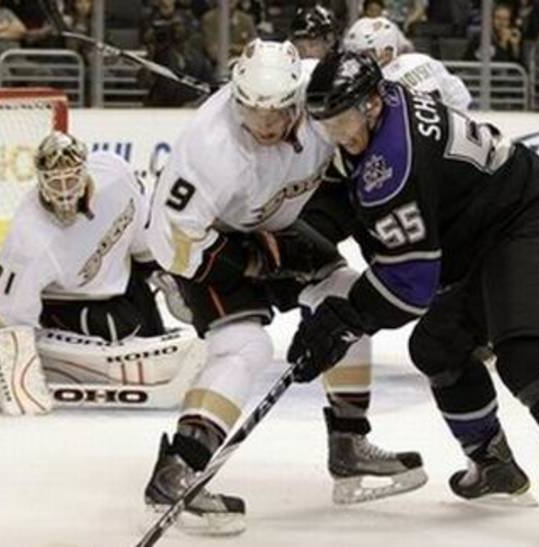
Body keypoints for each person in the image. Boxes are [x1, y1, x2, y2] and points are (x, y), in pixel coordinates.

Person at [290, 49, 539, 542]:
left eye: (343, 122)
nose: (337, 134)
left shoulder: (393, 160)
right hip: (481, 237)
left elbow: (411, 284)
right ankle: (493, 464)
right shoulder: (376, 118)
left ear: (372, 103)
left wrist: (345, 319)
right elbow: (348, 206)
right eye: (327, 124)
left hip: (529, 222)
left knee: (527, 358)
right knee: (437, 347)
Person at [143, 39, 427, 535]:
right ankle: (178, 469)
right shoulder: (208, 147)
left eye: (277, 110)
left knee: (347, 301)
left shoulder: (322, 97)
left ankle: (348, 446)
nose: (266, 123)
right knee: (244, 347)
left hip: (279, 225)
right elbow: (171, 241)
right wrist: (252, 262)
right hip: (213, 244)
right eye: (253, 110)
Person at [0, 131, 184, 415]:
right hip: (69, 302)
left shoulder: (115, 174)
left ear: (85, 171)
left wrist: (161, 269)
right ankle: (64, 364)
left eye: (71, 179)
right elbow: (0, 313)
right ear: (40, 180)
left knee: (149, 328)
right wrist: (15, 375)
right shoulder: (30, 237)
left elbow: (141, 228)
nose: (64, 191)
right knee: (118, 328)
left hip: (119, 282)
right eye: (55, 181)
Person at [343, 16, 472, 110]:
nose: (358, 61)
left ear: (386, 49)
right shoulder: (422, 59)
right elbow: (460, 97)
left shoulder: (376, 83)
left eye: (364, 54)